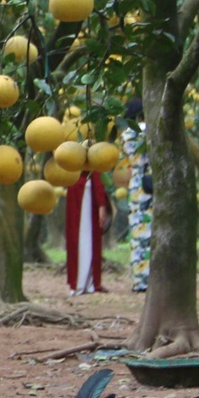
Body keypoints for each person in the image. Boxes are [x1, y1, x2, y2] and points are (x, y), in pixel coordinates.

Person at [119, 98, 151, 293]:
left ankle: (139, 280)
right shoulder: (148, 130)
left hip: (135, 184)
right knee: (149, 231)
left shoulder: (126, 136)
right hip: (150, 182)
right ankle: (150, 279)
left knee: (137, 234)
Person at [64, 168, 112, 295]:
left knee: (85, 238)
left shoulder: (90, 171)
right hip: (82, 190)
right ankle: (81, 283)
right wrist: (101, 204)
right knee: (81, 238)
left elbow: (96, 176)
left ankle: (86, 282)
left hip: (85, 190)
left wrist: (101, 203)